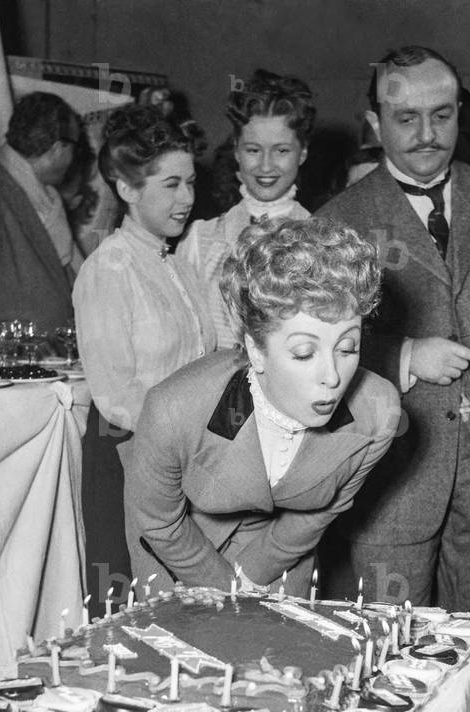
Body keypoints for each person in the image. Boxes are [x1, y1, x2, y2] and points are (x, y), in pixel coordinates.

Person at [318, 45, 470, 635]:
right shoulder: (336, 220)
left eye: (443, 114)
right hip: (391, 473)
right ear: (376, 125)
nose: (427, 134)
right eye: (406, 119)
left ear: (463, 115)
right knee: (391, 662)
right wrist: (405, 356)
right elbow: (315, 348)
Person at [124, 217, 400, 595]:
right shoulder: (173, 409)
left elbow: (324, 509)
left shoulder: (378, 413)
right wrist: (227, 588)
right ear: (256, 350)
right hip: (180, 552)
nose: (333, 376)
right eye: (304, 353)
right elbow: (159, 524)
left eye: (347, 348)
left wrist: (252, 575)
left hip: (282, 556)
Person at [72, 103, 215, 613]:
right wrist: (183, 441)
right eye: (171, 185)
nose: (187, 198)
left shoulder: (179, 263)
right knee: (131, 606)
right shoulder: (107, 269)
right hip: (127, 455)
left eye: (191, 182)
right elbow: (115, 394)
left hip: (184, 457)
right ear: (128, 189)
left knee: (191, 607)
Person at [180, 69, 314, 348]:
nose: (266, 166)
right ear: (236, 150)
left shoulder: (319, 239)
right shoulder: (201, 239)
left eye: (281, 151)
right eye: (253, 150)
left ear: (302, 152)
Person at [0, 92, 82, 334]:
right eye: (74, 148)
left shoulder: (46, 201)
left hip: (51, 363)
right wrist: (17, 350)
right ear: (58, 148)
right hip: (13, 366)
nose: (74, 159)